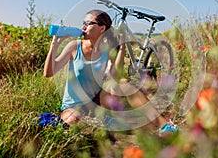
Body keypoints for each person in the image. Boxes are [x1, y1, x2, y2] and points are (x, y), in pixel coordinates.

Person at [43, 9, 177, 135]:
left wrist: (122, 47)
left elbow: (116, 77)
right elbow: (48, 73)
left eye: (88, 24)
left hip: (97, 103)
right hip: (74, 106)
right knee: (73, 119)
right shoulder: (74, 47)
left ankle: (164, 126)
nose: (83, 27)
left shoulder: (106, 51)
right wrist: (54, 45)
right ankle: (107, 123)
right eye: (83, 23)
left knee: (123, 83)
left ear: (102, 28)